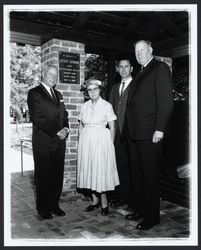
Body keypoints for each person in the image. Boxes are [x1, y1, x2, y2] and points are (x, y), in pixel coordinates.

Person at [124, 40, 174, 230]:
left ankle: (152, 217)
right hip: (135, 134)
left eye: (142, 50)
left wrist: (159, 129)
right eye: (136, 51)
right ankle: (141, 209)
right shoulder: (140, 72)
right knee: (138, 176)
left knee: (149, 177)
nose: (139, 54)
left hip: (150, 134)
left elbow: (166, 101)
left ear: (151, 50)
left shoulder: (159, 68)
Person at [27, 65, 69, 220]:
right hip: (43, 143)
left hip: (59, 143)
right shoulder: (34, 93)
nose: (54, 77)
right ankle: (43, 208)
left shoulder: (58, 94)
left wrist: (65, 128)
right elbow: (37, 117)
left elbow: (64, 115)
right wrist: (56, 131)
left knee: (57, 176)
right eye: (51, 74)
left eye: (56, 75)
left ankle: (54, 205)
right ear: (43, 74)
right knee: (43, 176)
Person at [77, 79, 119, 215]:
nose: (93, 92)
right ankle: (94, 200)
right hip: (86, 141)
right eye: (90, 89)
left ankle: (104, 202)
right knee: (89, 168)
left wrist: (110, 145)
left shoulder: (107, 105)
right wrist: (80, 143)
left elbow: (113, 127)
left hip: (101, 142)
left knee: (100, 170)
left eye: (95, 89)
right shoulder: (84, 106)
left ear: (100, 90)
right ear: (87, 92)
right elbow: (80, 126)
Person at [108, 59, 133, 207]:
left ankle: (130, 196)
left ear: (131, 69)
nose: (123, 69)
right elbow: (109, 109)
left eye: (126, 66)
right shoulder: (115, 87)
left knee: (130, 166)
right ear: (117, 69)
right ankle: (120, 195)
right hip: (116, 134)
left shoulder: (136, 86)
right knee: (118, 165)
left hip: (130, 133)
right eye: (121, 67)